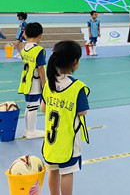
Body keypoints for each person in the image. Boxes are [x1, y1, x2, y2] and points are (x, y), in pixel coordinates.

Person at [41, 40, 90, 195]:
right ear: (75, 62)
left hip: (51, 141)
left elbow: (43, 108)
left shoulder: (49, 84)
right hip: (68, 141)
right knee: (67, 172)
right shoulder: (77, 87)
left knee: (53, 170)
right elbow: (82, 112)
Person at [17, 22, 46, 139]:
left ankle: (27, 130)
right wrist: (44, 83)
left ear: (26, 35)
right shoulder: (39, 50)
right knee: (33, 107)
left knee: (29, 106)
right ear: (40, 35)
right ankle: (31, 131)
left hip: (26, 82)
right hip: (34, 82)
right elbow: (41, 68)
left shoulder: (24, 49)